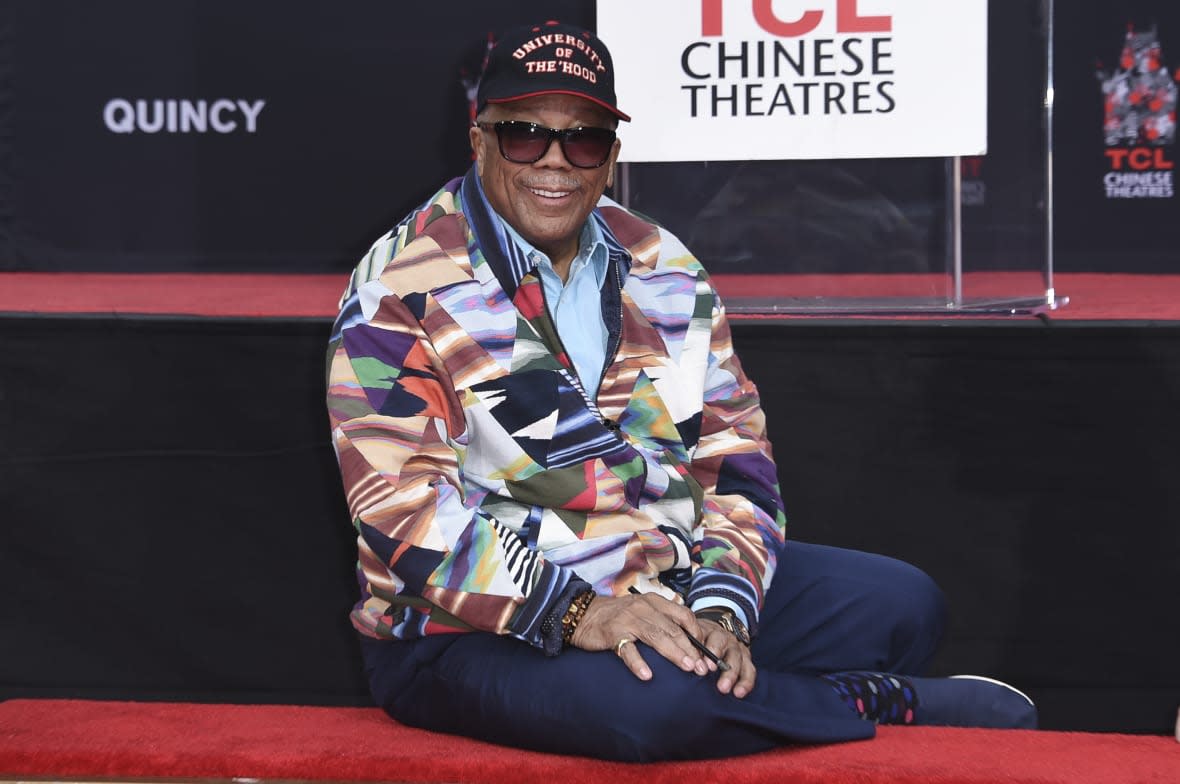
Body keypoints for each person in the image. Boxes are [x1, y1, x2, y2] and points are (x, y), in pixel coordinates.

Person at [325, 21, 1036, 762]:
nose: (556, 162)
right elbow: (405, 516)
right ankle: (868, 702)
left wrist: (723, 607)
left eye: (585, 140)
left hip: (662, 570)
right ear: (479, 141)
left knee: (900, 605)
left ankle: (733, 683)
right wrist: (581, 614)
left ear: (611, 157)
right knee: (655, 706)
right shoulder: (399, 283)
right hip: (463, 631)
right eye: (525, 136)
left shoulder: (664, 264)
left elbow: (737, 464)